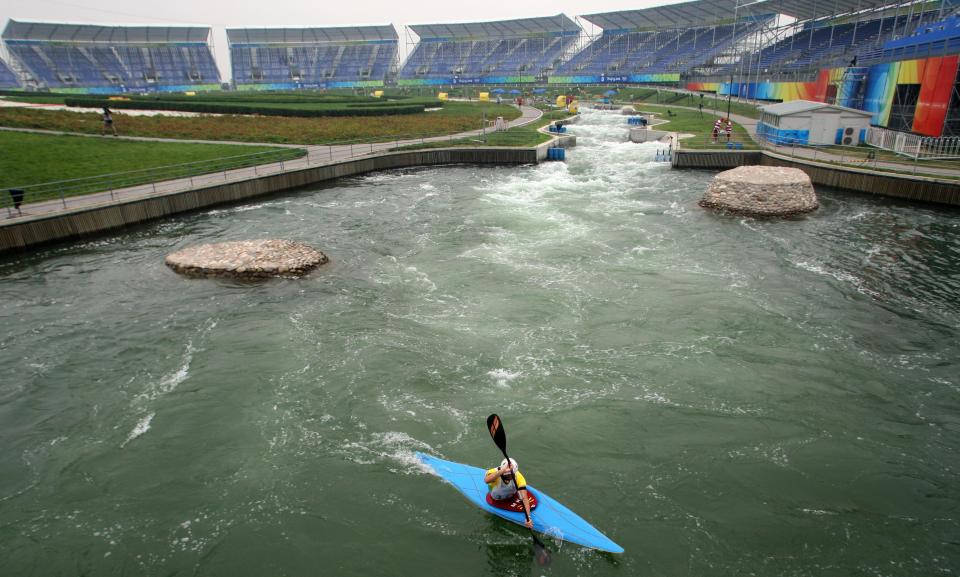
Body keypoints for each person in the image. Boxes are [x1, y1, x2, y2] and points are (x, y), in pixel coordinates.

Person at [484, 458, 533, 528]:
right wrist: (503, 470)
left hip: (512, 496)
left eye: (512, 474)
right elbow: (486, 480)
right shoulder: (493, 472)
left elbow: (524, 498)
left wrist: (528, 517)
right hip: (497, 500)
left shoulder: (519, 477)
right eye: (508, 475)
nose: (511, 477)